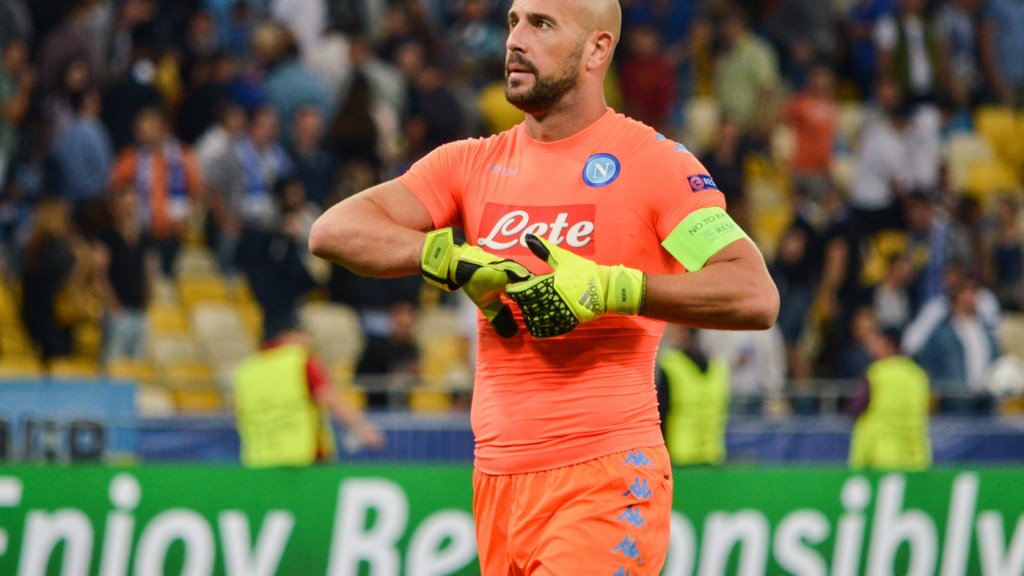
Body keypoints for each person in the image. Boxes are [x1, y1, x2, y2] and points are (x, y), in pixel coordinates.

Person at [308, 1, 778, 573]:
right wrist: (449, 259)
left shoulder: (655, 165)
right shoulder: (470, 163)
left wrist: (615, 288)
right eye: (513, 22)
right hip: (497, 482)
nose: (515, 40)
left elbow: (754, 293)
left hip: (606, 477)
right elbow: (333, 231)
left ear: (597, 49)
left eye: (542, 24)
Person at [232, 320, 385, 468]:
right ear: (288, 335)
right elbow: (329, 398)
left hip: (260, 460)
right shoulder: (300, 360)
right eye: (305, 334)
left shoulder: (247, 369)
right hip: (303, 461)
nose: (309, 341)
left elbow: (238, 414)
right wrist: (363, 428)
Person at [848, 327, 931, 470]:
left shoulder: (877, 373)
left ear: (889, 345)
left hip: (880, 456)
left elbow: (856, 408)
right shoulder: (918, 375)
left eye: (877, 343)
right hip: (914, 456)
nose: (873, 348)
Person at [657, 325, 730, 465]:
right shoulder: (719, 366)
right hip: (712, 453)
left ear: (683, 332)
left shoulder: (670, 364)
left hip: (679, 454)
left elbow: (661, 411)